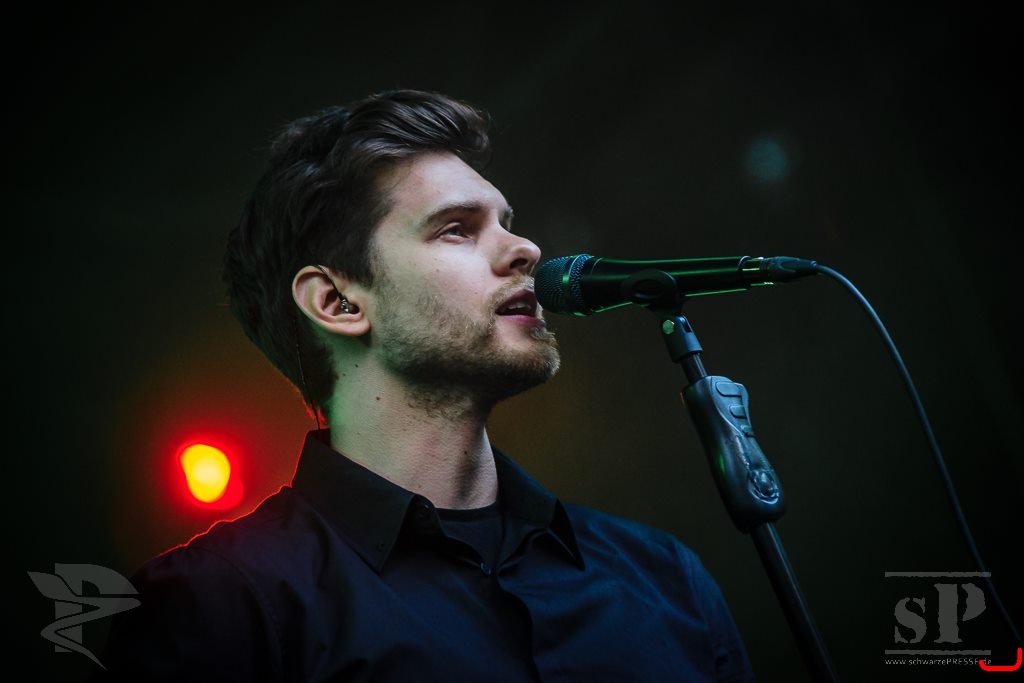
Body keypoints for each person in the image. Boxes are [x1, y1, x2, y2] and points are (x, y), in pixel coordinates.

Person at [96, 89, 756, 682]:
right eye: (456, 229)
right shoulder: (219, 606)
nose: (525, 248)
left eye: (506, 221)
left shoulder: (665, 579)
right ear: (337, 302)